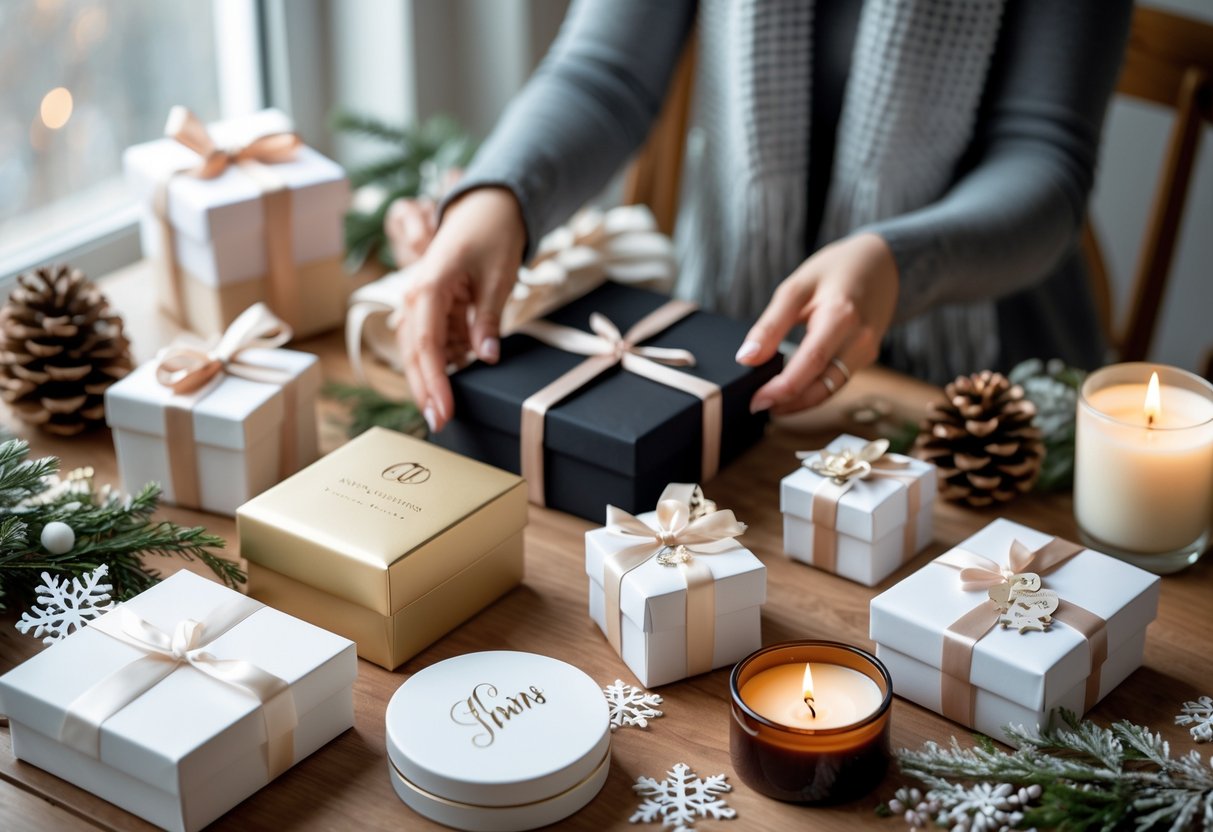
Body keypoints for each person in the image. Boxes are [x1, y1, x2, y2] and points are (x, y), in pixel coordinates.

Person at [394, 0, 1132, 435]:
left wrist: (897, 262)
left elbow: (1045, 155)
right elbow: (604, 73)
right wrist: (493, 201)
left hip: (985, 390)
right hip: (724, 347)